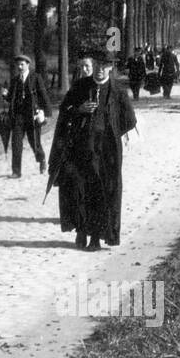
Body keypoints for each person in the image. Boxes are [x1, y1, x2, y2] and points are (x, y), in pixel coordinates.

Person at [48, 49, 137, 252]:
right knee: (80, 190)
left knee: (102, 192)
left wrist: (112, 131)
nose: (99, 71)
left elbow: (131, 120)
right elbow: (64, 110)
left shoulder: (118, 91)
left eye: (104, 67)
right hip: (82, 148)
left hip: (107, 152)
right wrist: (79, 110)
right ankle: (81, 229)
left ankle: (96, 237)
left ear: (110, 68)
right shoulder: (80, 87)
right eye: (96, 66)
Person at [3, 54, 53, 177]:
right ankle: (16, 171)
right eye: (18, 65)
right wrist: (5, 95)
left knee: (35, 143)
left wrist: (47, 113)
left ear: (28, 65)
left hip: (32, 116)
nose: (20, 67)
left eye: (22, 64)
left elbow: (43, 95)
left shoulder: (35, 78)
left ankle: (41, 159)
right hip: (18, 117)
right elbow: (11, 98)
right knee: (16, 144)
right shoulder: (15, 80)